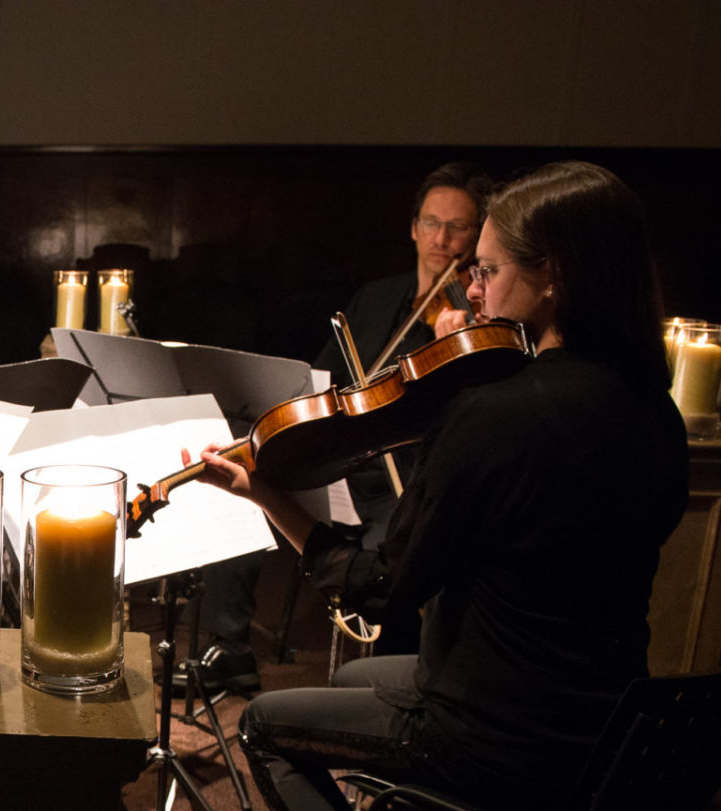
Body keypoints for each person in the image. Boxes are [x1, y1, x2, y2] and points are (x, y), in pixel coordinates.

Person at [194, 162, 687, 811]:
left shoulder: (496, 415)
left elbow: (376, 591)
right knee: (353, 682)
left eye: (489, 269)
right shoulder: (656, 408)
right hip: (607, 724)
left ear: (552, 279)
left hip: (500, 735)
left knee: (269, 727)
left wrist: (271, 496)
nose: (473, 286)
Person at [185, 164, 495, 692]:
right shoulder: (376, 299)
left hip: (400, 476)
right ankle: (230, 650)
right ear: (413, 228)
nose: (442, 240)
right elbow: (320, 382)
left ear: (478, 236)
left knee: (395, 557)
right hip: (340, 460)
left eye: (459, 228)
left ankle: (395, 687)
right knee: (239, 495)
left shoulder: (472, 317)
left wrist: (457, 349)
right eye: (431, 223)